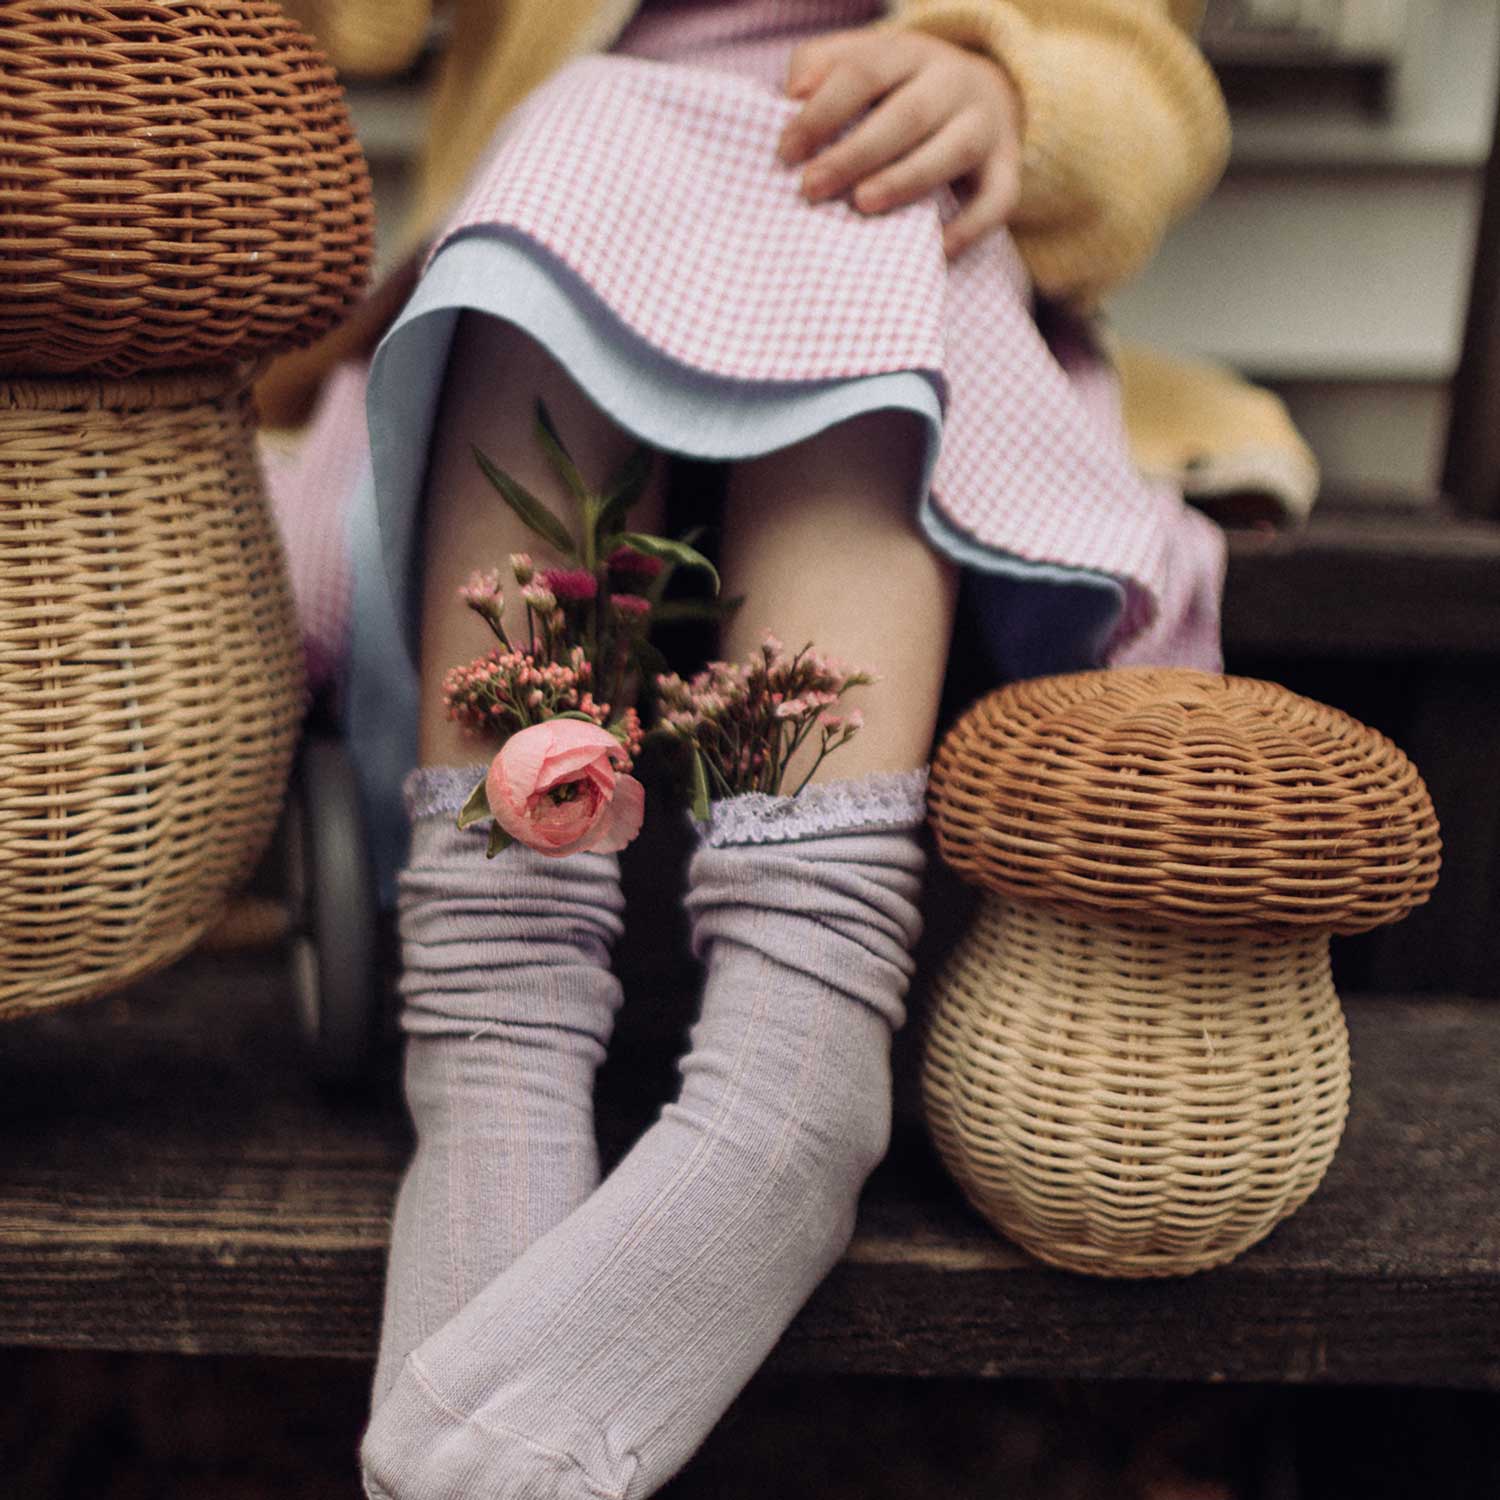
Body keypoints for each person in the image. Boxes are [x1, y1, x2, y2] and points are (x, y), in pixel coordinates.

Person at [267, 2, 1230, 1495]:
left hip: (897, 363)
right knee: (589, 131)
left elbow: (1155, 92)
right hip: (555, 314)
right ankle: (497, 1027)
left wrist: (1006, 95)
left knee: (838, 161)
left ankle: (796, 1036)